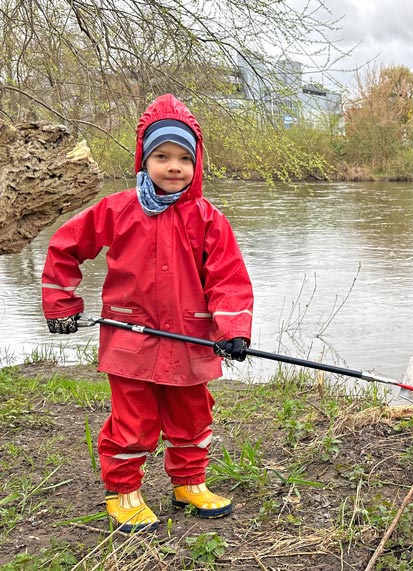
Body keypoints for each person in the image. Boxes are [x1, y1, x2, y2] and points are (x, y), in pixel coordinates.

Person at [41, 94, 254, 532]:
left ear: (196, 166)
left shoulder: (209, 219)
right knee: (133, 421)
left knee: (193, 416)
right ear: (144, 158)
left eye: (183, 158)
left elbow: (228, 278)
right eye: (161, 156)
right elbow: (65, 247)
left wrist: (233, 329)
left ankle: (189, 483)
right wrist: (62, 305)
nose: (173, 166)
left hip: (192, 342)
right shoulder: (116, 210)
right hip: (129, 340)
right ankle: (124, 491)